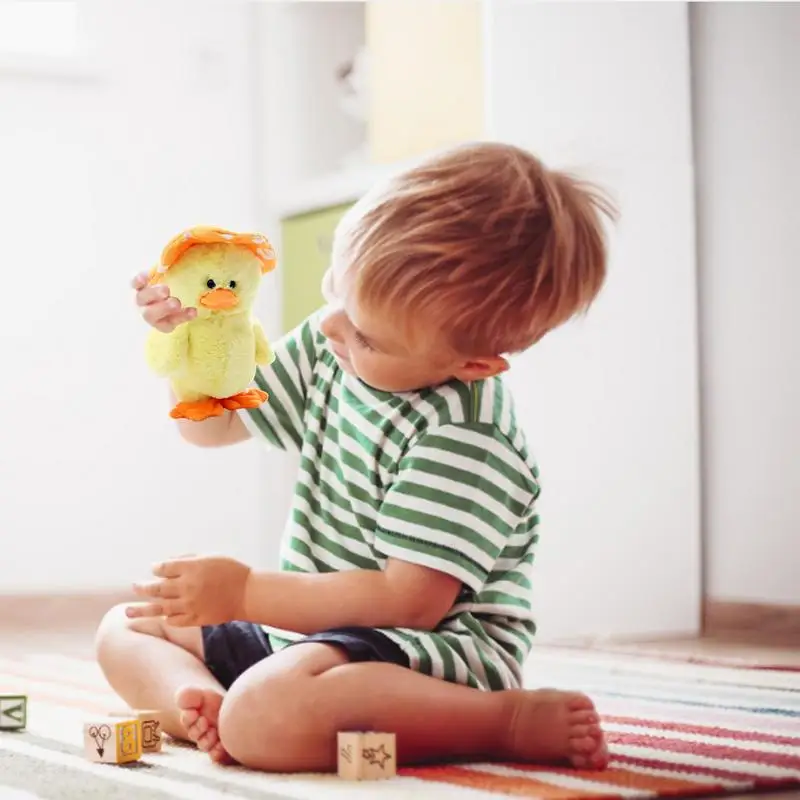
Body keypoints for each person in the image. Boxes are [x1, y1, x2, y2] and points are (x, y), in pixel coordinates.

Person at [96, 141, 615, 772]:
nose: (331, 327)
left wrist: (247, 591)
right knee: (128, 625)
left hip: (426, 656)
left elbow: (408, 603)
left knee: (269, 711)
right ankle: (208, 708)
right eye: (335, 288)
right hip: (311, 640)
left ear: (472, 365)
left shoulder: (466, 437)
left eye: (366, 335)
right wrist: (189, 344)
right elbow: (216, 428)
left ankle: (503, 721)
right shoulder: (335, 341)